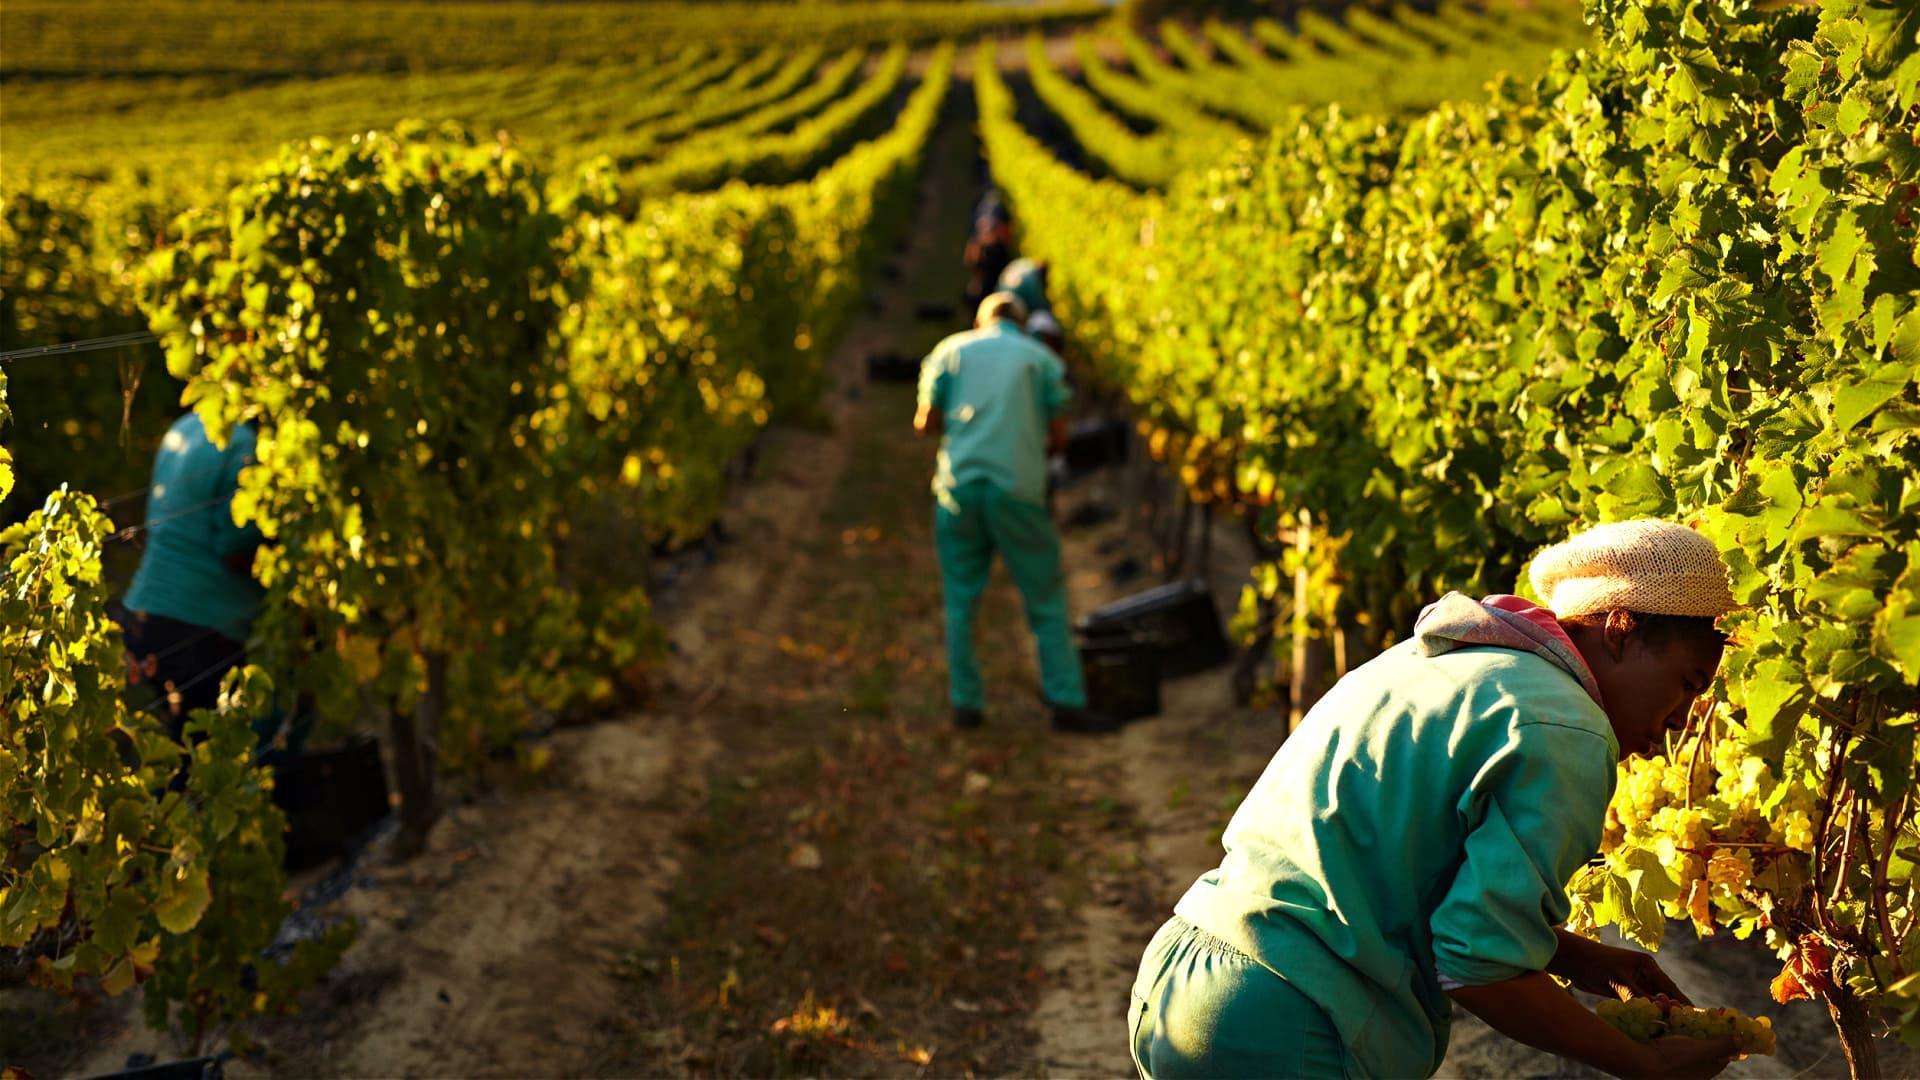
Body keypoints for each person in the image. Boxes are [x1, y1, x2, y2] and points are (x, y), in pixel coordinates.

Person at [1129, 520, 1745, 1079]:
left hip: (1187, 980)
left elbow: (1388, 877)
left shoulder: (1445, 663)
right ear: (1620, 630)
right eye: (1686, 685)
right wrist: (1645, 1066)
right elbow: (1478, 967)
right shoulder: (1570, 730)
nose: (1680, 722)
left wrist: (1573, 956)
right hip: (1292, 1021)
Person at [915, 292, 1102, 733]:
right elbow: (1059, 436)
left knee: (960, 599)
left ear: (981, 322)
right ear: (1020, 325)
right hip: (1017, 489)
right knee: (1045, 599)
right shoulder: (1040, 360)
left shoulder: (950, 351)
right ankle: (1066, 702)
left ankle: (966, 705)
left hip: (958, 490)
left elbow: (925, 422)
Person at [120, 411, 264, 735]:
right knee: (208, 749)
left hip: (146, 614)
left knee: (184, 742)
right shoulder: (243, 444)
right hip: (200, 625)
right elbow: (236, 550)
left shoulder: (183, 428)